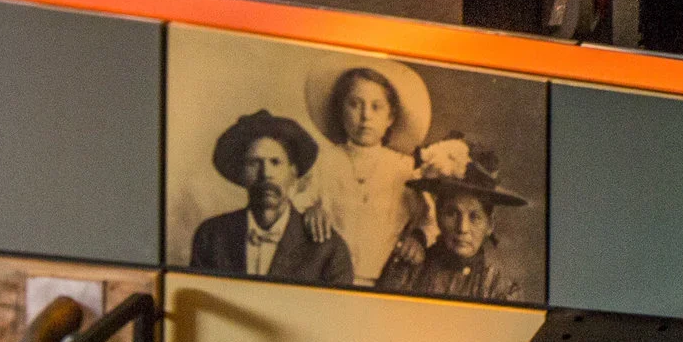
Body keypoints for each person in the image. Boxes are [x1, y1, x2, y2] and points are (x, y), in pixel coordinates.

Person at [299, 60, 430, 286]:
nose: (365, 116)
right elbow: (298, 201)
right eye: (354, 104)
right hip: (329, 278)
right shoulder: (324, 161)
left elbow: (429, 220)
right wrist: (310, 211)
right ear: (341, 111)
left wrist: (418, 239)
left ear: (390, 117)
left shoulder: (403, 168)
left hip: (388, 281)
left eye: (376, 107)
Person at [188, 111, 355, 285]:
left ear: (293, 172)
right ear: (241, 173)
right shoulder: (211, 237)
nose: (266, 174)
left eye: (275, 162)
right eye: (254, 163)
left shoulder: (328, 250)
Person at [377, 139, 526, 302]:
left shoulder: (500, 290)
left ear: (490, 225)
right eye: (452, 214)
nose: (462, 228)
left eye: (474, 217)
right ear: (438, 215)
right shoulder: (408, 272)